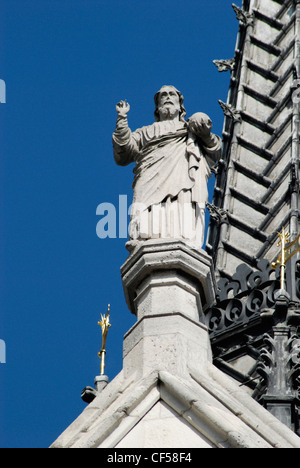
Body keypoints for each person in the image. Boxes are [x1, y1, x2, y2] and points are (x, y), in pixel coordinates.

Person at [112, 85, 222, 250]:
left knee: (180, 207)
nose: (167, 97)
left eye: (172, 94)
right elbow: (125, 151)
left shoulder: (189, 130)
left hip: (182, 176)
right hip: (149, 178)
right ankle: (144, 239)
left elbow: (215, 151)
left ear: (180, 105)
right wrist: (122, 120)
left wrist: (204, 133)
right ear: (157, 106)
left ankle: (182, 239)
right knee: (145, 209)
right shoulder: (146, 132)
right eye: (163, 95)